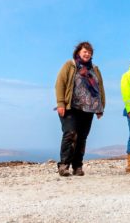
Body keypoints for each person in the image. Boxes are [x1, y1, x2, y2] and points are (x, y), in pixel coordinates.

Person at [54, 41, 106, 177]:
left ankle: (77, 166)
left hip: (88, 109)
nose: (87, 54)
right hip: (71, 107)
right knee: (70, 133)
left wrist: (101, 108)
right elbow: (60, 83)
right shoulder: (70, 65)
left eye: (89, 52)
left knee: (82, 138)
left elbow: (100, 89)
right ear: (78, 52)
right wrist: (60, 103)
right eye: (85, 51)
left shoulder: (94, 69)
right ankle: (64, 165)